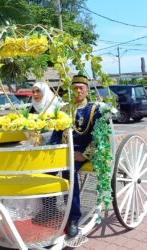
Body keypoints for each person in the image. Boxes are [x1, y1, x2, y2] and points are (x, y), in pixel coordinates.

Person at [50, 75, 101, 238]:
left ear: (87, 90)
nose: (78, 91)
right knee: (45, 172)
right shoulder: (64, 109)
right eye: (75, 88)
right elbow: (56, 133)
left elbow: (99, 137)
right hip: (64, 149)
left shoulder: (94, 109)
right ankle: (49, 210)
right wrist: (51, 151)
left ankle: (73, 218)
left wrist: (85, 154)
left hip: (81, 152)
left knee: (69, 174)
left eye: (81, 88)